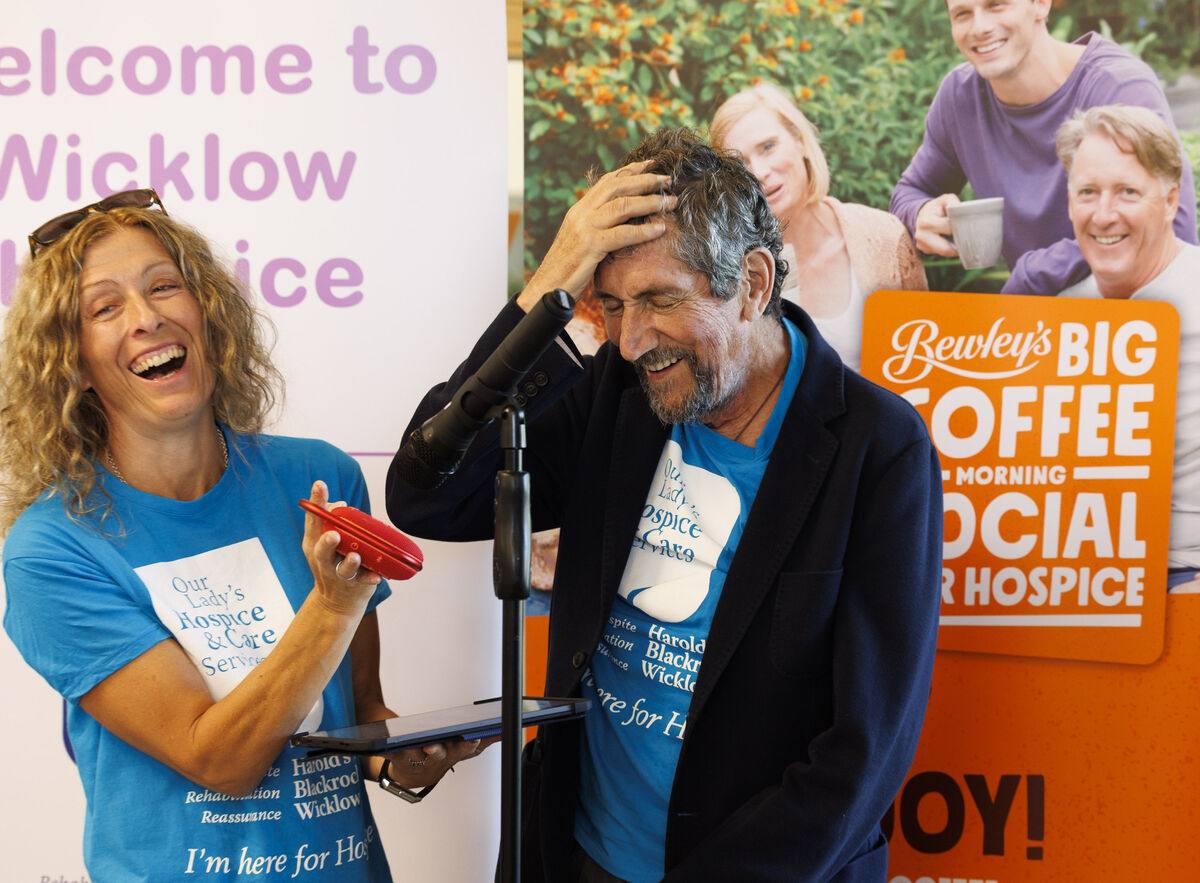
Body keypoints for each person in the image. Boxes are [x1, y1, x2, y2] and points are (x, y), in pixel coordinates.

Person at [387, 129, 943, 881]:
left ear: (751, 282)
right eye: (611, 303)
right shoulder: (621, 400)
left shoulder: (877, 448)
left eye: (659, 300)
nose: (628, 340)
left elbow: (862, 752)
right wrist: (542, 291)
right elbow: (428, 495)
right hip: (574, 853)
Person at [0, 192, 482, 881]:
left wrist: (399, 756)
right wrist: (332, 605)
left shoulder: (321, 477)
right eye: (105, 308)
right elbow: (219, 758)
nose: (147, 317)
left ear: (208, 313)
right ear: (70, 363)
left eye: (164, 286)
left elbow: (357, 710)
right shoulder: (52, 550)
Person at [890, 0, 1197, 296]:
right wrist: (920, 213)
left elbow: (1172, 230)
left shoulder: (1115, 86)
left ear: (1041, 3)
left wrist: (1034, 275)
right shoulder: (960, 98)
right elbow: (909, 191)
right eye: (962, 13)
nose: (980, 27)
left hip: (1131, 318)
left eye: (996, 4)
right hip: (1039, 327)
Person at [1055, 105, 1200, 591]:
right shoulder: (1061, 317)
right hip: (1085, 585)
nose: (1103, 215)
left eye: (1128, 193)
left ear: (1170, 199)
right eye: (1088, 193)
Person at [710, 81, 927, 371]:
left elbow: (925, 366)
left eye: (768, 147)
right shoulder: (726, 270)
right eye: (740, 163)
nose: (760, 172)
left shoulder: (883, 237)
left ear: (800, 140)